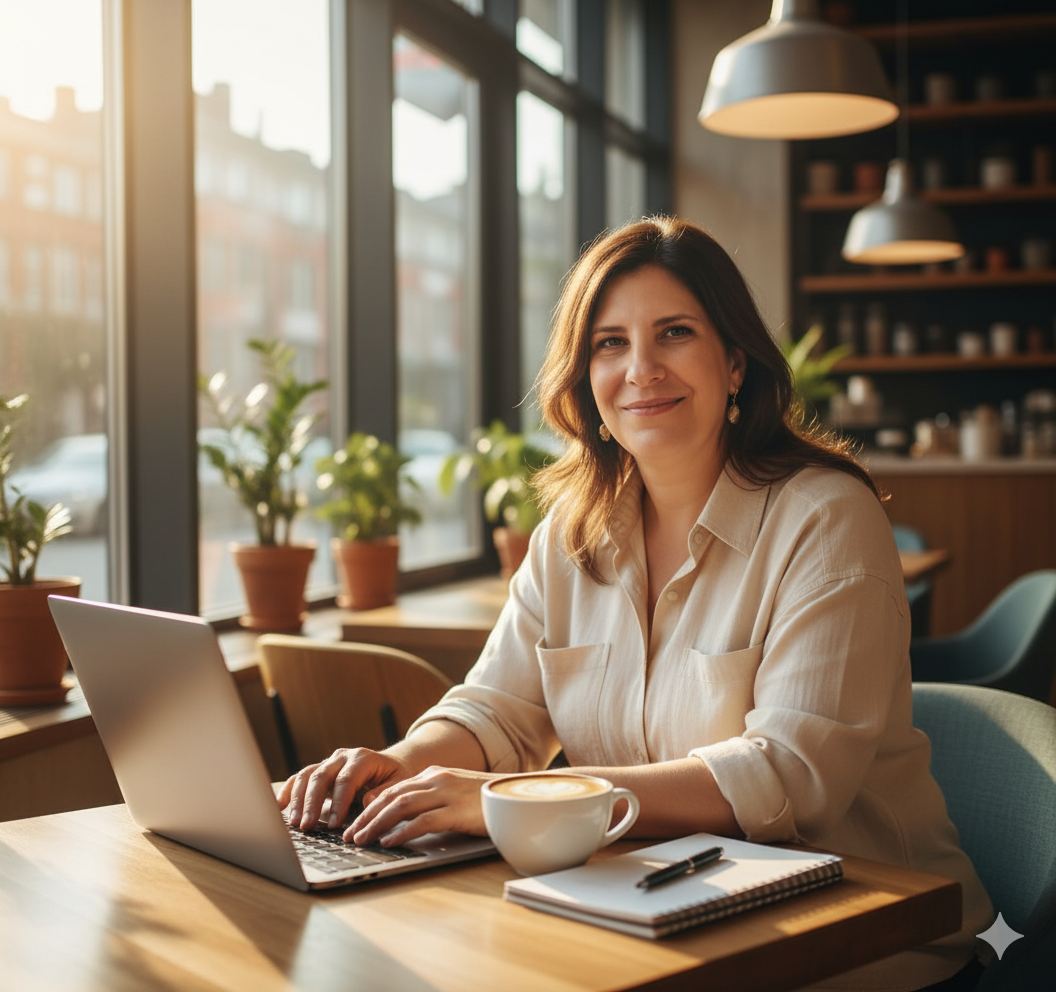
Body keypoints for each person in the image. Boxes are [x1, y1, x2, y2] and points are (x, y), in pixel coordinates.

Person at [280, 217, 991, 991]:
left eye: (674, 333)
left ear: (735, 362)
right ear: (585, 379)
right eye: (610, 343)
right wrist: (396, 766)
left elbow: (789, 776)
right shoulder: (570, 533)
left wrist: (516, 800)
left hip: (860, 939)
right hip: (658, 908)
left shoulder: (823, 518)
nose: (641, 369)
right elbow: (497, 710)